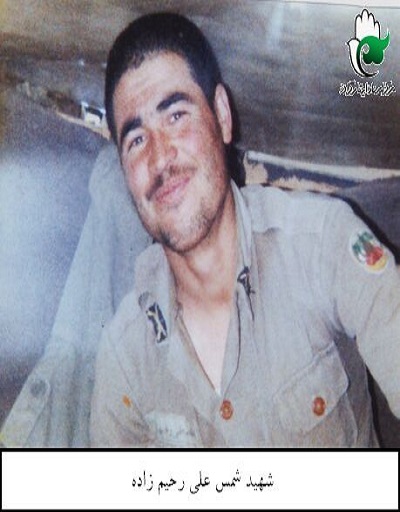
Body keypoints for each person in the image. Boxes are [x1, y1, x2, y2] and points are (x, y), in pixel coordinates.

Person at [90, 11, 400, 447]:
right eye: (136, 140)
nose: (159, 159)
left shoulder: (322, 246)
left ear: (221, 115)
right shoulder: (125, 356)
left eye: (176, 116)